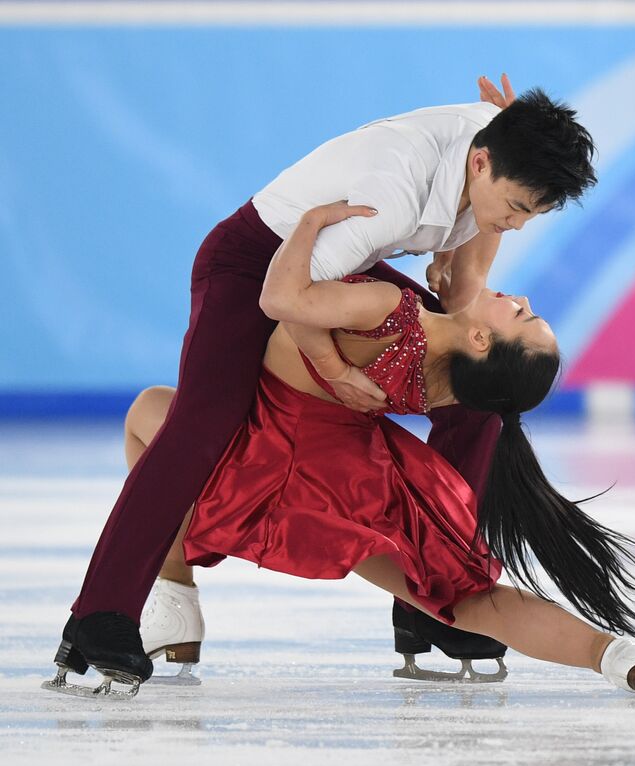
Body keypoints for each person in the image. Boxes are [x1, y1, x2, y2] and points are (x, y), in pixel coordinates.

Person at [46, 201, 635, 700]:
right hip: (358, 486)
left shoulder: (388, 312)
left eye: (523, 315)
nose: (522, 298)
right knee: (471, 601)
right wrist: (490, 214)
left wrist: (307, 227)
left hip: (261, 464)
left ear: (484, 341)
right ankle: (614, 653)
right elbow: (471, 277)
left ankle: (174, 596)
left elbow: (280, 297)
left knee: (150, 415)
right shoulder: (448, 380)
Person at [51, 78, 591, 689]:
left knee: (475, 396)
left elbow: (463, 289)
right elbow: (289, 299)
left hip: (328, 269)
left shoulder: (501, 142)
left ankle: (435, 593)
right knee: (206, 422)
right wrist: (337, 372)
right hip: (257, 265)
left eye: (531, 214)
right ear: (480, 160)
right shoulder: (392, 190)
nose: (516, 223)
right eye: (515, 207)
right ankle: (100, 610)